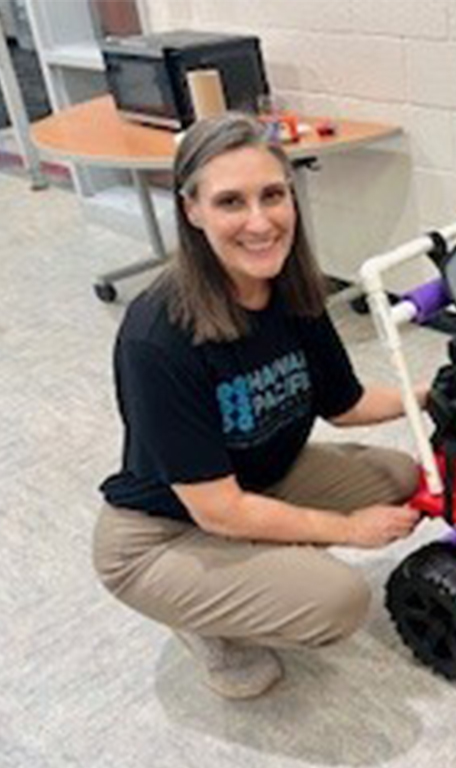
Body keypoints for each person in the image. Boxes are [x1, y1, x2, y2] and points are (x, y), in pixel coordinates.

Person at [93, 113, 424, 700]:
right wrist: (346, 528)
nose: (260, 221)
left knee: (400, 478)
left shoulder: (293, 291)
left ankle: (254, 564)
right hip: (162, 534)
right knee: (337, 601)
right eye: (230, 202)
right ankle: (205, 619)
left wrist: (428, 394)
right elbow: (217, 510)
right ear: (191, 209)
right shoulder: (158, 336)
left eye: (273, 195)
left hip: (256, 481)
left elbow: (343, 404)